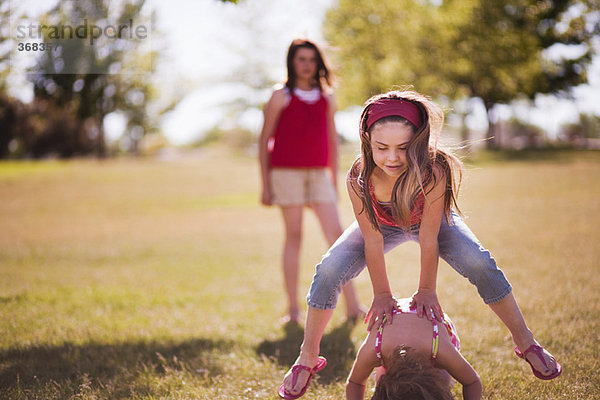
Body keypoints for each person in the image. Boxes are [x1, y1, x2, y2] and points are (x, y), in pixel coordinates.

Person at [279, 89, 561, 399]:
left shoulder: (434, 169)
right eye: (381, 147)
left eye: (403, 147)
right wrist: (382, 295)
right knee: (328, 270)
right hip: (382, 227)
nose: (392, 157)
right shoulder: (359, 177)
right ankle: (307, 357)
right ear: (367, 142)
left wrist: (427, 290)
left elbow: (428, 238)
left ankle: (526, 342)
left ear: (419, 142)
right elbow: (372, 239)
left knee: (480, 262)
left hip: (431, 222)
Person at [259, 39, 364, 325]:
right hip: (285, 174)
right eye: (300, 59)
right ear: (291, 62)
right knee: (294, 236)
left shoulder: (326, 97)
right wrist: (266, 184)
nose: (306, 64)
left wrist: (333, 177)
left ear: (318, 63)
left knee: (337, 236)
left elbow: (331, 139)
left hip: (319, 175)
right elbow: (264, 140)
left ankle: (353, 305)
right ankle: (293, 309)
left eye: (311, 59)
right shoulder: (281, 95)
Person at [346, 297, 481, 400]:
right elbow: (354, 382)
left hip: (433, 332)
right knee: (379, 379)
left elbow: (472, 382)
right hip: (396, 324)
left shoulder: (440, 349)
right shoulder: (374, 349)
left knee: (445, 379)